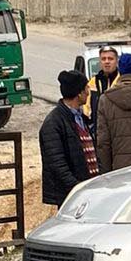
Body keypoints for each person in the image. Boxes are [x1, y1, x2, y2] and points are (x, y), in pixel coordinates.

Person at [40, 69, 98, 207]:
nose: (88, 92)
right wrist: (76, 188)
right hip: (70, 195)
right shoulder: (54, 123)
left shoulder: (80, 117)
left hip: (86, 190)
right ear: (79, 93)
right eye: (86, 88)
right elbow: (57, 164)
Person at [87, 45, 119, 120]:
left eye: (110, 59)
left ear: (117, 61)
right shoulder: (92, 83)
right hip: (97, 128)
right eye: (103, 59)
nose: (107, 62)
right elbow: (87, 109)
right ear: (100, 62)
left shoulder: (121, 81)